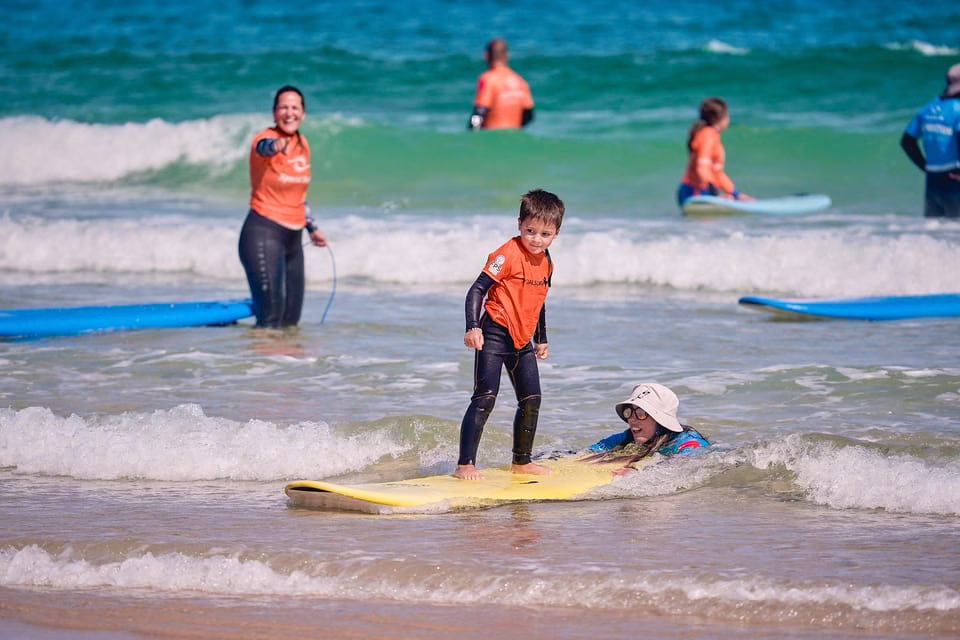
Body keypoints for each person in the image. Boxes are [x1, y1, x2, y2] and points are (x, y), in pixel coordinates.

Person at [455, 189, 564, 480]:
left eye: (545, 234)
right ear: (519, 225)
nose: (536, 239)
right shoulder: (506, 254)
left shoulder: (547, 261)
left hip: (522, 339)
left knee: (531, 399)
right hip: (493, 333)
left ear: (555, 234)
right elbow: (477, 289)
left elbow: (538, 300)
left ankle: (522, 462)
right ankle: (465, 465)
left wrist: (541, 338)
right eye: (530, 231)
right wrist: (472, 326)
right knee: (485, 398)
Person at [239, 85, 328, 329]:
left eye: (295, 108)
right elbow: (263, 147)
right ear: (274, 112)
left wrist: (312, 228)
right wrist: (276, 146)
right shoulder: (266, 139)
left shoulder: (302, 143)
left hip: (293, 239)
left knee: (290, 321)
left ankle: (283, 368)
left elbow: (300, 193)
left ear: (303, 113)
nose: (289, 113)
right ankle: (254, 365)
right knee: (270, 319)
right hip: (263, 232)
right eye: (283, 108)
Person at [582, 383, 709, 475]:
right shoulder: (627, 437)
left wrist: (636, 473)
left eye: (641, 413)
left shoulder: (690, 443)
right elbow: (588, 451)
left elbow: (681, 469)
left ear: (660, 419)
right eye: (629, 412)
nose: (631, 419)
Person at [900, 63, 960, 218]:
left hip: (933, 181)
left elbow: (907, 142)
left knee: (934, 232)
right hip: (955, 180)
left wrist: (925, 166)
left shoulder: (928, 108)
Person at [677, 97, 752, 208]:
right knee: (706, 224)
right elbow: (702, 168)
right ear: (722, 118)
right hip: (696, 192)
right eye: (728, 116)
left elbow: (717, 173)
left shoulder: (710, 135)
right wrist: (716, 194)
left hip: (697, 191)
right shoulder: (708, 135)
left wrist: (736, 194)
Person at [467, 38, 535, 131]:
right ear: (507, 56)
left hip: (492, 138)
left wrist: (472, 134)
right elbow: (529, 115)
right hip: (514, 138)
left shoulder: (487, 79)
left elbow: (479, 112)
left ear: (486, 56)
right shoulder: (521, 81)